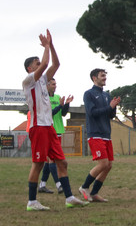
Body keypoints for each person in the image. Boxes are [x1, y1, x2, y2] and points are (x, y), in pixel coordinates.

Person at [22, 29, 88, 211]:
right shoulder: (28, 81)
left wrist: (51, 46)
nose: (40, 64)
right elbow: (45, 63)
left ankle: (69, 197)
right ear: (30, 69)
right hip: (38, 127)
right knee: (38, 164)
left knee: (62, 162)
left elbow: (55, 63)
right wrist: (46, 47)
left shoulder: (43, 81)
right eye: (35, 63)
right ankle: (32, 201)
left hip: (49, 127)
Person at [79, 68, 121, 202]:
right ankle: (84, 187)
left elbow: (109, 115)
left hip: (106, 134)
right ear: (94, 78)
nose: (105, 78)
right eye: (102, 76)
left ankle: (94, 193)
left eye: (105, 75)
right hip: (95, 133)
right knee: (103, 164)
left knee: (108, 165)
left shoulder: (107, 95)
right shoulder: (88, 94)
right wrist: (109, 107)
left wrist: (114, 107)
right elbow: (92, 112)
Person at [38, 78, 73, 194]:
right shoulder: (44, 98)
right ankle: (59, 185)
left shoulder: (57, 97)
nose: (55, 86)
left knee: (49, 160)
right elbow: (49, 113)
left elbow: (62, 113)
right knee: (52, 159)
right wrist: (60, 106)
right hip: (48, 130)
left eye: (55, 84)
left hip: (57, 130)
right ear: (47, 85)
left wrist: (66, 104)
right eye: (53, 84)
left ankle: (42, 185)